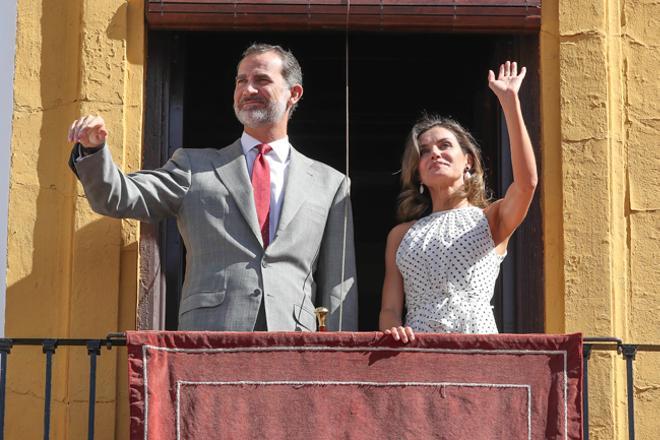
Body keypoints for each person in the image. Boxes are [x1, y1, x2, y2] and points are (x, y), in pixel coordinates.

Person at [68, 43, 358, 332]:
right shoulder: (194, 166)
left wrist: (339, 361)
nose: (248, 90)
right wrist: (93, 152)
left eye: (261, 80)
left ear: (293, 94)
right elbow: (119, 196)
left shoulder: (329, 183)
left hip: (294, 345)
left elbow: (339, 286)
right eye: (241, 81)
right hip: (210, 338)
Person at [379, 61, 537, 342]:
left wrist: (510, 104)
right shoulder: (400, 236)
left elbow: (527, 184)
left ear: (468, 161)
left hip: (477, 352)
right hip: (418, 355)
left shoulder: (491, 219)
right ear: (417, 172)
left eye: (444, 145)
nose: (434, 154)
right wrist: (393, 329)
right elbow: (390, 309)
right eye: (425, 151)